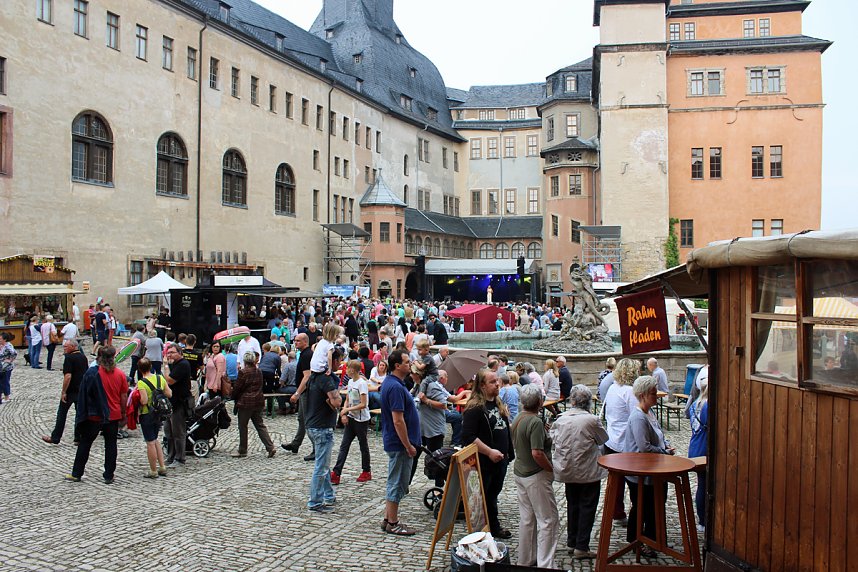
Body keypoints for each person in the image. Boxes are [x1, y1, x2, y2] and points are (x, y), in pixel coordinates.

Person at [551, 384, 609, 559]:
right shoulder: (591, 420)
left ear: (572, 400)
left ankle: (572, 541)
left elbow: (553, 441)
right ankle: (581, 546)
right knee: (588, 507)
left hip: (568, 469)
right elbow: (603, 439)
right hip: (588, 471)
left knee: (573, 504)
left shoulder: (560, 419)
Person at [623, 375, 676, 556]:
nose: (656, 396)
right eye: (653, 393)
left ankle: (653, 539)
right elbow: (644, 446)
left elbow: (658, 434)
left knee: (652, 504)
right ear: (644, 395)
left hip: (652, 471)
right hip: (641, 472)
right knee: (642, 506)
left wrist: (666, 444)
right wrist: (665, 452)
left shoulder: (649, 413)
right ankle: (638, 540)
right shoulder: (638, 417)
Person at [462, 368, 513, 539]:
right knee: (486, 496)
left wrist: (509, 452)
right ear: (482, 385)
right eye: (492, 382)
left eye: (497, 380)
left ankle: (492, 525)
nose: (497, 384)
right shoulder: (474, 408)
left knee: (493, 494)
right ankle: (488, 529)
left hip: (501, 461)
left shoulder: (498, 403)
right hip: (484, 462)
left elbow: (505, 429)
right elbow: (468, 437)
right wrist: (489, 451)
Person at [511, 383, 558, 568]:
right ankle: (545, 564)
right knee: (548, 520)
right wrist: (550, 468)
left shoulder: (518, 418)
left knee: (527, 518)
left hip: (520, 472)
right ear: (539, 401)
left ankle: (526, 559)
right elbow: (537, 453)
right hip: (535, 475)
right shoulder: (535, 422)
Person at [65, 346, 128, 483]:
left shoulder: (92, 373)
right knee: (111, 445)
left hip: (94, 415)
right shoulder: (120, 374)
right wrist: (123, 413)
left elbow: (84, 395)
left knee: (85, 444)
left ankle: (77, 473)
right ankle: (109, 475)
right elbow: (123, 396)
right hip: (113, 414)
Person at [380, 349, 421, 535]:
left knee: (397, 480)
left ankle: (388, 518)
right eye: (406, 362)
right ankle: (393, 522)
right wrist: (408, 445)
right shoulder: (395, 387)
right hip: (399, 444)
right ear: (397, 365)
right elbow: (398, 419)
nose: (410, 364)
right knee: (397, 482)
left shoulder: (394, 383)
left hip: (398, 442)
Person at [304, 348, 343, 512]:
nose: (340, 363)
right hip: (322, 427)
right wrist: (338, 396)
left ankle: (328, 495)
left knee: (323, 462)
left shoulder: (314, 377)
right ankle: (315, 501)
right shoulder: (326, 380)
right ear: (331, 361)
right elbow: (336, 402)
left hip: (312, 424)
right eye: (339, 360)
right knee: (321, 466)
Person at [603, 358, 640, 527]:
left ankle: (616, 512)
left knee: (615, 482)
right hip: (625, 442)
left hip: (611, 439)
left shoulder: (613, 388)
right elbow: (637, 416)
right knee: (633, 482)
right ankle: (636, 515)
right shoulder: (630, 392)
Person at [331, 359, 372, 485]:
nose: (346, 370)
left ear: (353, 370)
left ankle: (366, 470)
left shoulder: (361, 384)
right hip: (352, 417)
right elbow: (348, 398)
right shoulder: (350, 382)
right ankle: (336, 472)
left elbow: (363, 404)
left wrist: (347, 409)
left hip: (361, 419)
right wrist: (345, 412)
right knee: (344, 446)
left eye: (347, 368)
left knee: (363, 445)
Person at [231, 351, 277, 458]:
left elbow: (238, 387)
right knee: (260, 425)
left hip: (245, 402)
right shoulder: (259, 371)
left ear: (245, 360)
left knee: (243, 426)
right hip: (258, 401)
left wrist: (233, 396)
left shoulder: (243, 372)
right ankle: (270, 447)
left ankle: (242, 450)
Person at [42, 339, 87, 445]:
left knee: (62, 414)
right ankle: (78, 437)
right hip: (80, 389)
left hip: (71, 391)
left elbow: (68, 376)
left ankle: (56, 437)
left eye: (66, 347)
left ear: (73, 346)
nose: (64, 349)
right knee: (79, 414)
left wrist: (63, 392)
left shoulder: (69, 358)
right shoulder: (83, 357)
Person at [136, 357, 172, 478]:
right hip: (159, 414)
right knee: (156, 439)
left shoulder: (141, 383)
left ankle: (153, 470)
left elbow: (144, 400)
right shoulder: (160, 378)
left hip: (147, 414)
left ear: (140, 369)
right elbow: (169, 393)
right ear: (151, 366)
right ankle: (162, 466)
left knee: (150, 442)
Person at [282, 333, 315, 460]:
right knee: (302, 419)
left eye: (298, 341)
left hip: (306, 391)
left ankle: (316, 448)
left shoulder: (307, 355)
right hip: (304, 391)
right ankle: (296, 444)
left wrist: (297, 393)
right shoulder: (303, 354)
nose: (295, 343)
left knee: (307, 420)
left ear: (305, 342)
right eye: (295, 341)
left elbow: (307, 376)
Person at [163, 344, 193, 468]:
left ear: (179, 352)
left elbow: (169, 380)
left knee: (178, 432)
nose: (169, 355)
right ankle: (170, 456)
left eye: (172, 352)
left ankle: (180, 458)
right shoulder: (174, 364)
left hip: (179, 403)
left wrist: (165, 365)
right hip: (170, 403)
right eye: (168, 352)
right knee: (168, 431)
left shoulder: (183, 365)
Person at [688, 376, 709, 533]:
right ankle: (703, 519)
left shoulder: (695, 404)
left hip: (694, 446)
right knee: (704, 485)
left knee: (701, 484)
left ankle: (702, 518)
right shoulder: (708, 406)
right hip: (704, 447)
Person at [258, 343, 281, 415]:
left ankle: (259, 407)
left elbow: (261, 364)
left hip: (261, 371)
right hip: (270, 372)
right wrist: (280, 377)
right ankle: (270, 409)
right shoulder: (277, 357)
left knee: (260, 389)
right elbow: (278, 369)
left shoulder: (265, 354)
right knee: (270, 390)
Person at [0, 332, 17, 404]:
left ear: (5, 339)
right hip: (0, 366)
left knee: (5, 382)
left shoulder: (8, 346)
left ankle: (7, 397)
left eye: (0, 339)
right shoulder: (1, 345)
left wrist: (10, 360)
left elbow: (14, 353)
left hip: (6, 367)